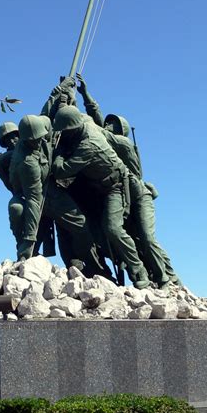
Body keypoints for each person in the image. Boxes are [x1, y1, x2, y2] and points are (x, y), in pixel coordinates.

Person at [76, 74, 181, 288]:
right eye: (108, 123)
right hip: (119, 194)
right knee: (117, 234)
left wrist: (79, 114)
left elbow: (97, 129)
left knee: (147, 238)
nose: (108, 125)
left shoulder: (122, 144)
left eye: (113, 124)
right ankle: (148, 274)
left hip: (137, 195)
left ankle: (168, 278)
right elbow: (97, 122)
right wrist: (85, 96)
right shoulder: (105, 143)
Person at [52, 106, 151, 289]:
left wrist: (58, 154)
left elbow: (61, 171)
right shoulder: (86, 121)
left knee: (112, 228)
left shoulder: (88, 145)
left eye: (65, 132)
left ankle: (139, 271)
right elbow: (77, 112)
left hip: (116, 187)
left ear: (73, 129)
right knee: (95, 230)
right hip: (98, 189)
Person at [9, 114, 109, 278]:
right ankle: (27, 262)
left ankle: (94, 269)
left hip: (51, 188)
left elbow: (50, 115)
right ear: (25, 140)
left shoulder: (43, 128)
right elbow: (35, 200)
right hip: (41, 196)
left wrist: (63, 91)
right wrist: (29, 240)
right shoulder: (27, 162)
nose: (38, 142)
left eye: (40, 137)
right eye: (33, 140)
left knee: (80, 226)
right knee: (78, 225)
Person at [0, 122, 24, 254]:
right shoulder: (2, 159)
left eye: (15, 136)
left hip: (45, 194)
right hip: (21, 196)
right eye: (7, 139)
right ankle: (22, 246)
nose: (12, 140)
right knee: (15, 209)